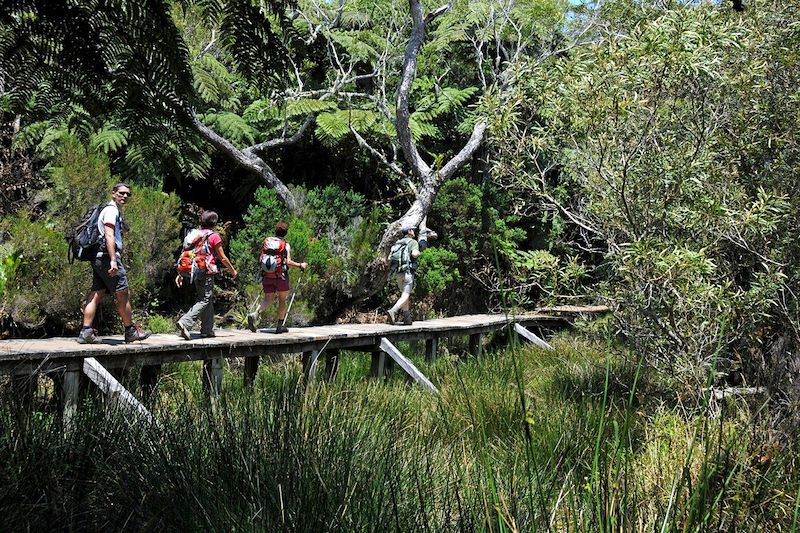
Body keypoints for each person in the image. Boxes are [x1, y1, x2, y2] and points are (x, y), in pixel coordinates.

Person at [77, 183, 152, 344]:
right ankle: (130, 331)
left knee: (97, 293)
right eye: (121, 193)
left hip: (98, 257)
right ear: (113, 194)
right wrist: (113, 260)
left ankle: (86, 332)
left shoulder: (111, 211)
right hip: (106, 257)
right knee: (122, 292)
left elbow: (117, 231)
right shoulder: (111, 211)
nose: (125, 196)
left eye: (127, 194)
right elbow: (109, 236)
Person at [175, 210, 238, 340]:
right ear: (214, 223)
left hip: (195, 271)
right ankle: (185, 322)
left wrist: (180, 274)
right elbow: (223, 258)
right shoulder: (214, 236)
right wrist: (232, 270)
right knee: (204, 298)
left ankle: (207, 330)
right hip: (207, 271)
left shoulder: (195, 234)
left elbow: (185, 253)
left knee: (205, 298)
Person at [247, 221, 307, 334]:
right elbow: (288, 262)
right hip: (281, 276)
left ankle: (256, 313)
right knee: (282, 300)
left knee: (268, 300)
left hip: (267, 275)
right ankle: (280, 326)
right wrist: (300, 265)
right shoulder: (285, 245)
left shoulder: (267, 241)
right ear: (286, 233)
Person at [387, 226, 421, 326]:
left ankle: (407, 319)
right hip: (408, 273)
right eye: (413, 230)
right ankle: (393, 310)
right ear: (409, 231)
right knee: (406, 295)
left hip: (398, 273)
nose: (414, 231)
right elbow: (414, 254)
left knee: (404, 295)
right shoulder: (413, 242)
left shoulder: (398, 242)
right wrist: (418, 252)